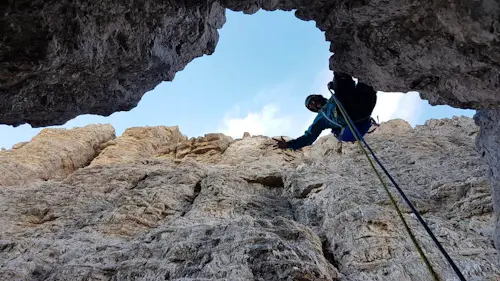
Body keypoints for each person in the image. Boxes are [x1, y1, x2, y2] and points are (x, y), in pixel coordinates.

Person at [274, 72, 377, 150]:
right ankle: (342, 73)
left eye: (313, 100)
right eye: (310, 105)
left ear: (319, 97)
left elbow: (350, 92)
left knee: (366, 80)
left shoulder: (333, 98)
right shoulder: (321, 118)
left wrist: (335, 87)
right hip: (349, 114)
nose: (313, 104)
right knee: (340, 77)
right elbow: (309, 137)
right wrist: (289, 145)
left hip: (363, 109)